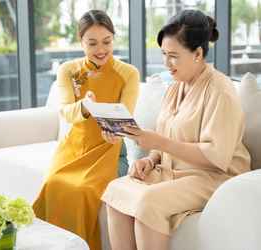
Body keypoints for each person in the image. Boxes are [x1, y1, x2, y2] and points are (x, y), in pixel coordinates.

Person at [101, 9, 251, 250]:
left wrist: (158, 144)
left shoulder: (220, 91)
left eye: (173, 56)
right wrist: (150, 159)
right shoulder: (175, 88)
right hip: (174, 171)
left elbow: (217, 157)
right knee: (117, 190)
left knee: (149, 202)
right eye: (163, 54)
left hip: (213, 177)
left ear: (198, 54)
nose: (166, 63)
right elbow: (169, 136)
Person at [32, 9, 139, 250]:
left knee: (81, 190)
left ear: (114, 38)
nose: (101, 49)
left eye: (107, 41)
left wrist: (115, 131)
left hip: (109, 151)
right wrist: (85, 105)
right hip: (74, 149)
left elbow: (125, 115)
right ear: (81, 42)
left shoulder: (128, 73)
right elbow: (66, 111)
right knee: (54, 183)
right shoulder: (68, 70)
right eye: (92, 43)